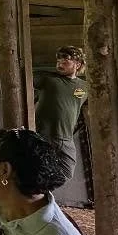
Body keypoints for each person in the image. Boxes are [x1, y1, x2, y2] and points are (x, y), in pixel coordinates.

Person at [33, 47, 88, 178]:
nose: (60, 64)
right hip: (44, 136)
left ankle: (43, 191)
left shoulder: (85, 86)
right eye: (58, 61)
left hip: (66, 138)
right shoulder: (47, 79)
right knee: (36, 169)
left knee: (67, 172)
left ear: (77, 64)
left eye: (65, 62)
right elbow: (18, 78)